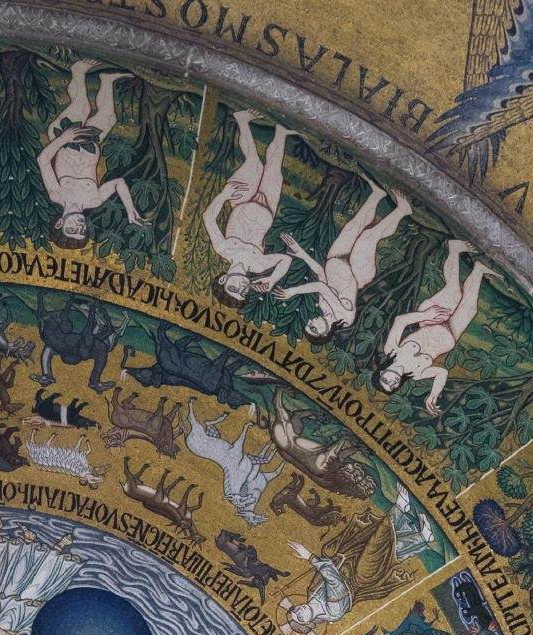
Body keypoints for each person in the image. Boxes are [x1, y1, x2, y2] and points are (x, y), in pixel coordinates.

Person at [280, 179, 410, 339]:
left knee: (352, 226)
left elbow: (321, 276)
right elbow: (321, 287)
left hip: (334, 260)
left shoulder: (323, 306)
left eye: (308, 325)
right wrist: (292, 291)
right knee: (368, 238)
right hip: (357, 273)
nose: (310, 323)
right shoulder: (344, 320)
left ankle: (377, 195)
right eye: (313, 329)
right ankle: (402, 211)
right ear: (325, 333)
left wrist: (301, 253)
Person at [378, 238, 492, 413]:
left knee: (454, 290)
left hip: (431, 319)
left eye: (386, 381)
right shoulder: (417, 374)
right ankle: (479, 270)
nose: (392, 382)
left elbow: (400, 320)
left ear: (381, 373)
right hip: (450, 335)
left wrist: (426, 315)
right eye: (393, 386)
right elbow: (442, 373)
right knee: (469, 308)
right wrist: (432, 395)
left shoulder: (391, 350)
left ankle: (453, 249)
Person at [37, 60, 142, 246]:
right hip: (91, 142)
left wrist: (64, 139)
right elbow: (118, 183)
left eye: (72, 229)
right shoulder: (94, 201)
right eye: (82, 231)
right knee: (109, 117)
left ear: (59, 223)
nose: (79, 226)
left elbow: (43, 160)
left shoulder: (57, 195)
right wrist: (130, 209)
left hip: (64, 137)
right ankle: (107, 80)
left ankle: (77, 70)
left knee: (82, 107)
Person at [202, 109, 297, 302]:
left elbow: (208, 218)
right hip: (267, 208)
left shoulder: (222, 248)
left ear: (223, 279)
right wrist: (272, 278)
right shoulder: (258, 266)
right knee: (273, 170)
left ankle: (242, 119)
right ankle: (281, 132)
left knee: (255, 163)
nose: (242, 287)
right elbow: (286, 259)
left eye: (233, 288)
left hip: (241, 198)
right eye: (243, 292)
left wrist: (223, 195)